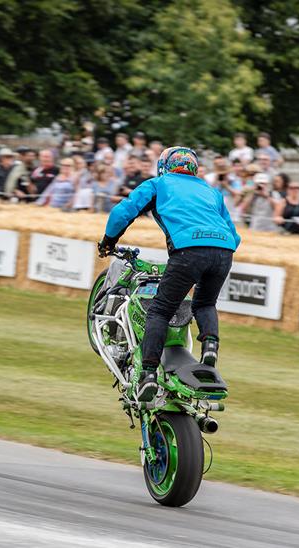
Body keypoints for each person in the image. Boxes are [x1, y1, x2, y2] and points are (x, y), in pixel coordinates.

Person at [97, 147, 240, 402]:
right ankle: (210, 348)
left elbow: (123, 212)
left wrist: (108, 241)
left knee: (160, 310)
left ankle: (148, 375)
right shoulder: (212, 191)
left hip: (188, 251)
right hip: (224, 251)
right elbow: (234, 234)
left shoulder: (158, 184)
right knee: (205, 303)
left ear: (164, 166)